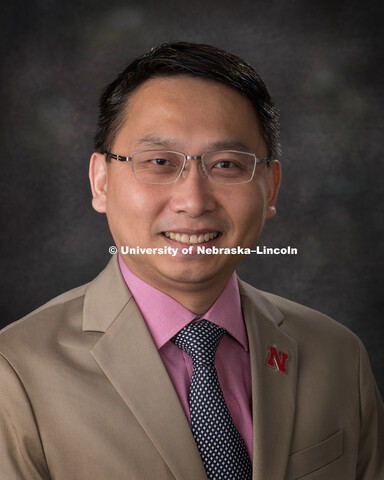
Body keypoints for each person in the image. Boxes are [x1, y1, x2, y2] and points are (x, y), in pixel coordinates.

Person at [0, 42, 382, 480]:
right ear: (101, 181)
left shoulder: (338, 356)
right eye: (160, 161)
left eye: (226, 165)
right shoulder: (14, 373)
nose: (193, 201)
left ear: (271, 188)